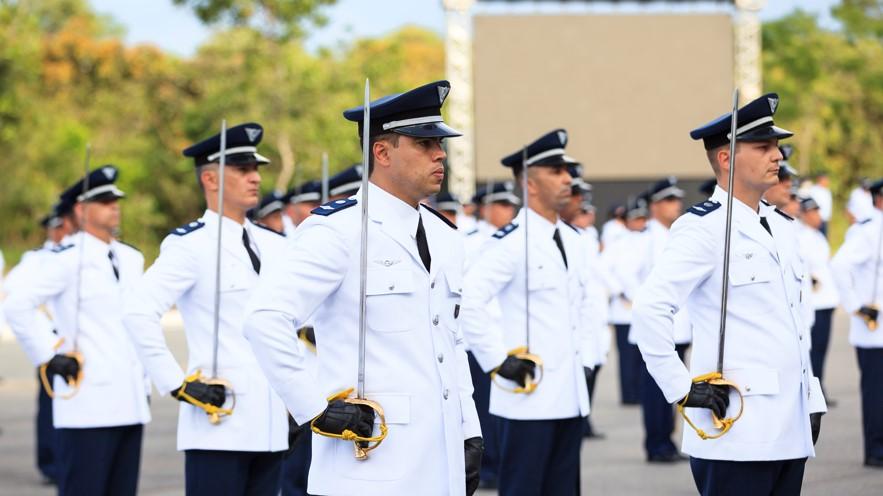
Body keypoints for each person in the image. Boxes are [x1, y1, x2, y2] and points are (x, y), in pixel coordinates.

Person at [242, 80, 482, 496]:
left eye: (439, 143)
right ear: (383, 152)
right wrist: (315, 408)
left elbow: (451, 341)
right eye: (424, 143)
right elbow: (264, 318)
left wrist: (469, 431)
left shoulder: (446, 237)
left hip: (438, 463)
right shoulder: (337, 230)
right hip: (369, 462)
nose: (440, 153)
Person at [631, 93, 826, 495]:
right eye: (764, 147)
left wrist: (812, 398)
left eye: (776, 146)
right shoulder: (702, 228)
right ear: (727, 158)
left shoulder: (783, 226)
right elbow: (650, 310)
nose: (777, 156)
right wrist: (682, 389)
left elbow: (792, 323)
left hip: (789, 426)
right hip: (736, 427)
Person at [122, 123, 289, 496]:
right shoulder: (190, 246)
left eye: (256, 169)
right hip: (220, 420)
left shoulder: (274, 245)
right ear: (211, 179)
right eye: (242, 170)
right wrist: (178, 384)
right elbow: (137, 311)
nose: (254, 178)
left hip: (274, 424)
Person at [460, 129, 594, 496]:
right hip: (527, 394)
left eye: (567, 170)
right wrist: (497, 361)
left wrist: (587, 359)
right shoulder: (511, 242)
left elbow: (580, 308)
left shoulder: (573, 239)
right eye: (556, 171)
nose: (568, 178)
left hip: (569, 394)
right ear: (530, 184)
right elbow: (468, 300)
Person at [5, 166, 151, 496]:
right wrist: (48, 355)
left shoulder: (131, 258)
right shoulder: (67, 258)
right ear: (81, 210)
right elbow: (16, 306)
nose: (114, 205)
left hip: (129, 400)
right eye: (103, 200)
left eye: (116, 199)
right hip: (87, 399)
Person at [632, 177, 692, 463]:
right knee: (656, 392)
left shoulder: (675, 233)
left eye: (677, 199)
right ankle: (656, 445)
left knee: (673, 387)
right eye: (669, 200)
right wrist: (636, 300)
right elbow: (625, 272)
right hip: (655, 328)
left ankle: (666, 441)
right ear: (654, 205)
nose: (676, 205)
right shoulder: (644, 238)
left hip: (677, 327)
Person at [830, 178, 883, 468]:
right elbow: (839, 265)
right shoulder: (868, 231)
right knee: (876, 393)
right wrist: (855, 307)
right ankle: (876, 450)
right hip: (874, 331)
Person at [604, 194, 649, 406]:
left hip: (642, 306)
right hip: (624, 308)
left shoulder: (650, 239)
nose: (640, 222)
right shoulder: (619, 241)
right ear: (628, 220)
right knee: (627, 357)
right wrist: (620, 292)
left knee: (643, 355)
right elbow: (604, 269)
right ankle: (628, 394)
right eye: (636, 218)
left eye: (643, 218)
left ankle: (640, 392)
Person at [796, 196, 838, 403]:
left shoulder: (817, 236)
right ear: (803, 214)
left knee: (822, 350)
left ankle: (819, 388)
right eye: (812, 212)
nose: (817, 216)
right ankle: (813, 392)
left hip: (827, 300)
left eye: (818, 211)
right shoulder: (800, 236)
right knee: (814, 352)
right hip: (816, 302)